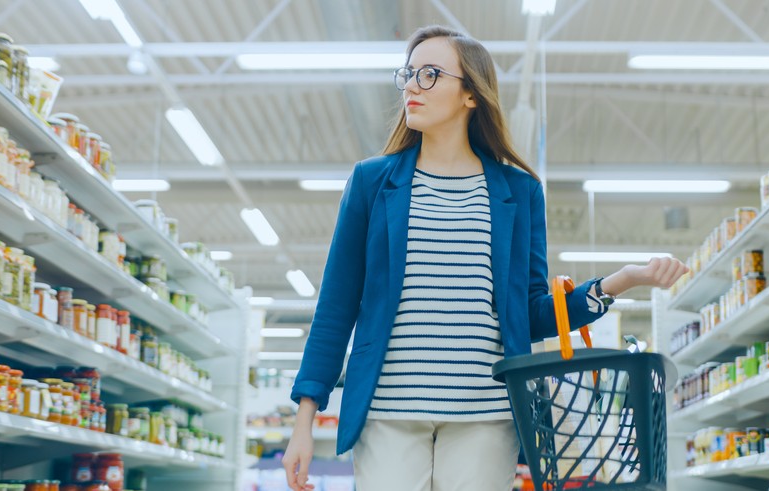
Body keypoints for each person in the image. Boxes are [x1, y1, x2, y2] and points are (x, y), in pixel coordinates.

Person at [282, 25, 688, 491]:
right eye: (408, 74)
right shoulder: (372, 183)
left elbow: (531, 314)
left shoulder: (518, 192)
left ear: (471, 94)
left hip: (486, 414)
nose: (412, 85)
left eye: (431, 74)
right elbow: (336, 308)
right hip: (388, 411)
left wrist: (617, 282)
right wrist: (304, 424)